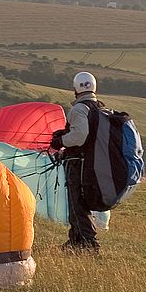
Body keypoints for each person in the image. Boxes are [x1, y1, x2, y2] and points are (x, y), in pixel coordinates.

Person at [50, 71, 103, 253]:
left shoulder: (79, 109)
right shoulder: (99, 108)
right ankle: (76, 240)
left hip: (78, 164)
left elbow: (80, 136)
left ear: (75, 88)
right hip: (91, 163)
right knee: (78, 202)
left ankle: (89, 243)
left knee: (77, 203)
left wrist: (61, 141)